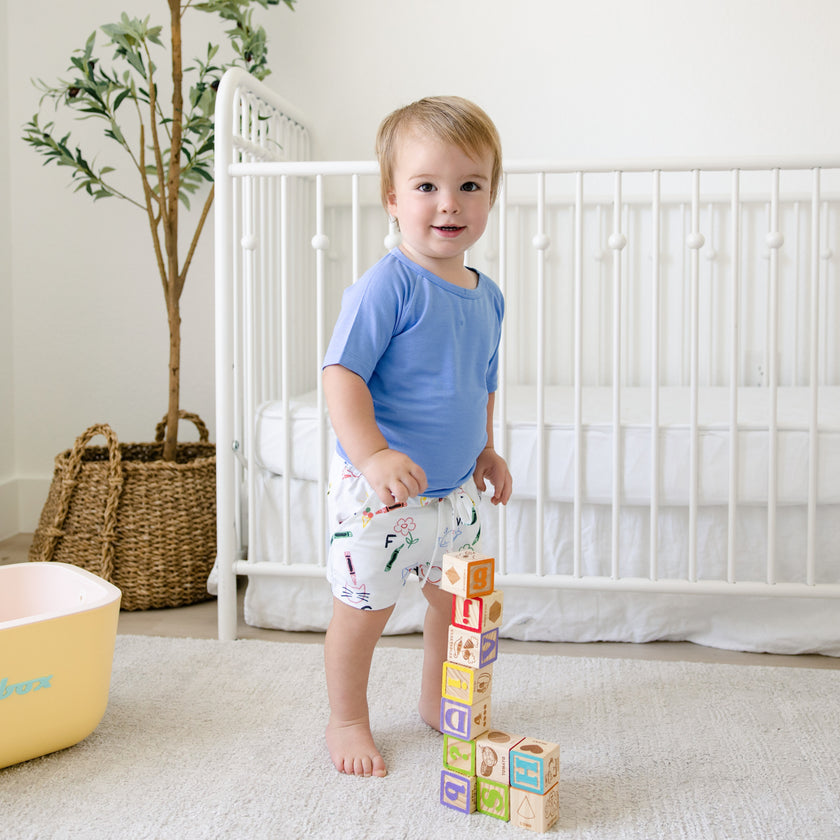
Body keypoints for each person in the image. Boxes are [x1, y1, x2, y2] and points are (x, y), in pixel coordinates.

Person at [321, 95, 512, 778]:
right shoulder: (388, 285)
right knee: (364, 611)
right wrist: (372, 454)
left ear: (490, 196)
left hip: (456, 495)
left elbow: (480, 381)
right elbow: (341, 374)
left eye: (470, 185)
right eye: (426, 186)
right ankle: (347, 719)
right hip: (383, 496)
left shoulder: (488, 295)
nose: (449, 203)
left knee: (463, 608)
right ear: (393, 200)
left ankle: (440, 700)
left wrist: (485, 448)